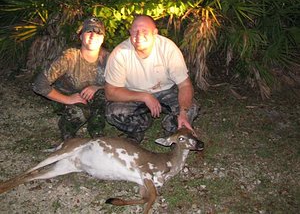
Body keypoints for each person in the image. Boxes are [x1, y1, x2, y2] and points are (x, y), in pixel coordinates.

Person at [104, 14, 199, 143]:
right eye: (135, 31)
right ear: (130, 32)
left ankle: (173, 128)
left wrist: (183, 112)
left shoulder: (168, 48)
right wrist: (144, 96)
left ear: (155, 33)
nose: (139, 36)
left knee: (190, 107)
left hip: (166, 91)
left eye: (144, 31)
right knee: (112, 112)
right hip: (136, 94)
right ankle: (138, 127)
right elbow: (110, 92)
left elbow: (185, 85)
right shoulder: (120, 53)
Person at [33, 17, 109, 140]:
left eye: (98, 32)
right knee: (79, 112)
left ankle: (97, 132)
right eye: (88, 31)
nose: (93, 35)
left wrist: (98, 87)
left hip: (93, 99)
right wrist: (67, 99)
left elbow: (120, 84)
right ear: (81, 36)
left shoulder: (109, 58)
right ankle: (67, 132)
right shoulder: (69, 57)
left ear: (102, 39)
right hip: (69, 97)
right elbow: (38, 84)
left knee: (104, 94)